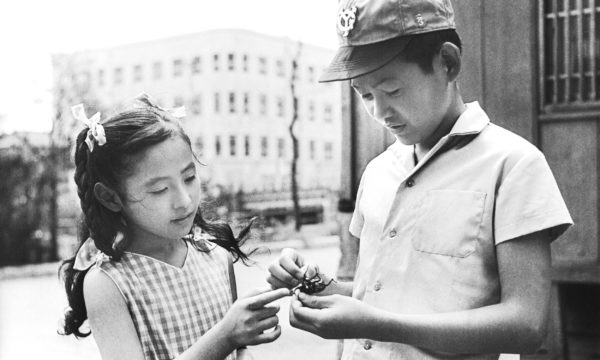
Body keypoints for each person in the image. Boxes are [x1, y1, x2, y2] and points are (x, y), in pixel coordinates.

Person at [266, 0, 573, 358]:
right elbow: (379, 296)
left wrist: (371, 323)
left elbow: (526, 324)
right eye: (365, 95)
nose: (379, 113)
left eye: (392, 91)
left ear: (447, 62)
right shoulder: (378, 171)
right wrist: (322, 287)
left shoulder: (513, 165)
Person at [59, 94, 288, 360]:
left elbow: (239, 351)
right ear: (111, 198)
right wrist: (226, 335)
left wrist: (241, 344)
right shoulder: (108, 283)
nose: (184, 199)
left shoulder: (216, 257)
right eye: (160, 189)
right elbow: (228, 338)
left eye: (189, 177)